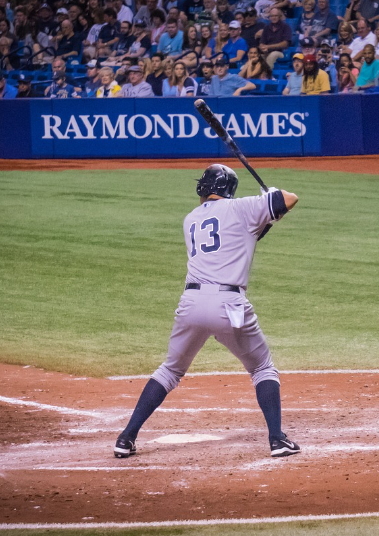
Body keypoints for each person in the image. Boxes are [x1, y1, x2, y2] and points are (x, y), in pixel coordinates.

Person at [113, 165, 301, 459]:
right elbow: (290, 198)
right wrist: (272, 197)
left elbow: (243, 237)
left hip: (191, 304)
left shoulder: (190, 219)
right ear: (231, 190)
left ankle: (126, 438)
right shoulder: (242, 208)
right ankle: (277, 439)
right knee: (262, 368)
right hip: (230, 306)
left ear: (202, 188)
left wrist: (268, 212)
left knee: (171, 370)